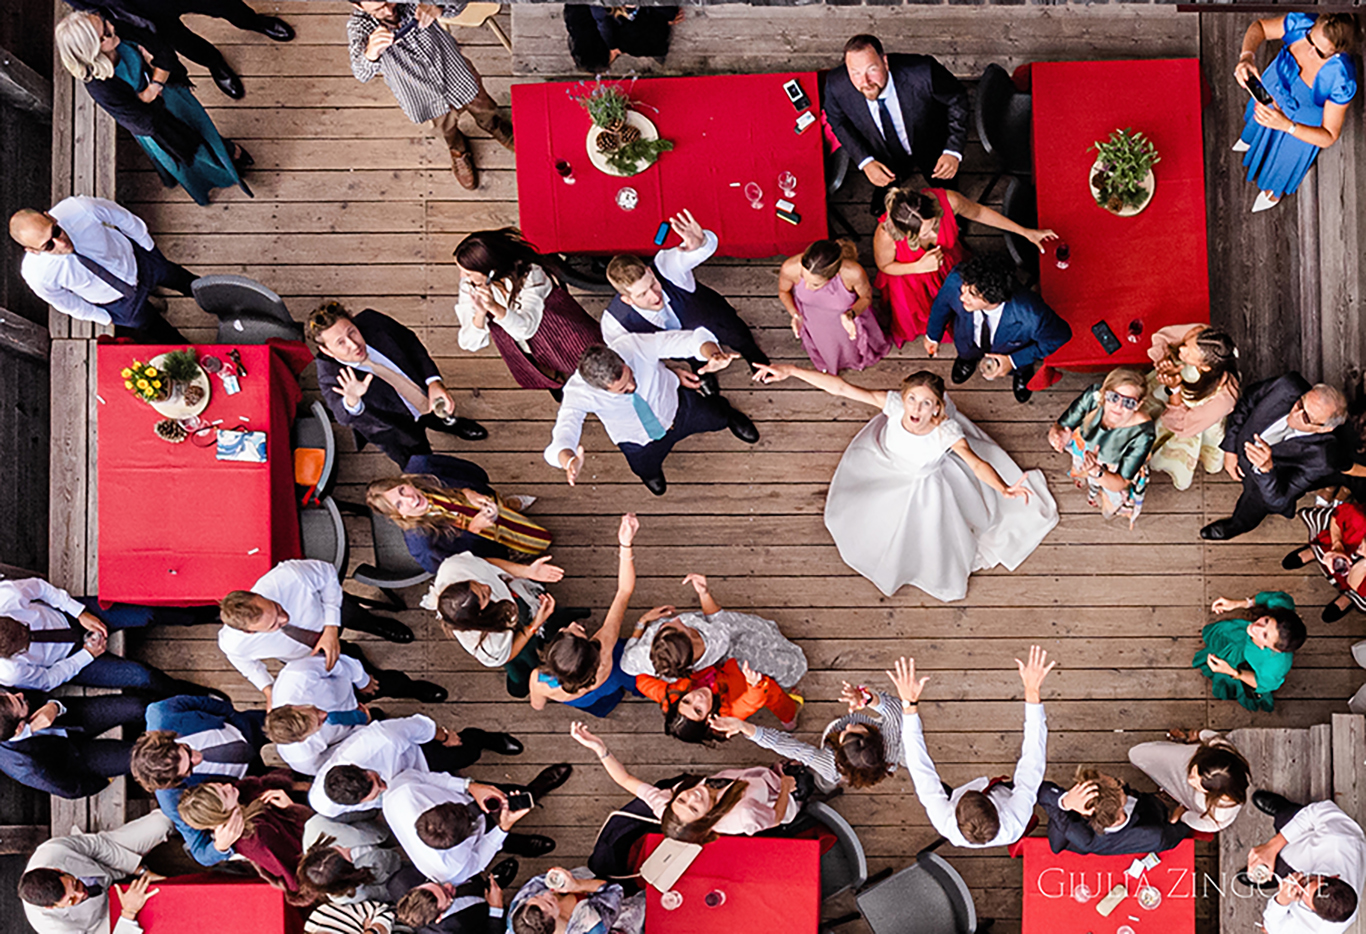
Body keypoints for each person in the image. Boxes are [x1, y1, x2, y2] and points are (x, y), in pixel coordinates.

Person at [756, 365, 1055, 601]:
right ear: (903, 398)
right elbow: (841, 388)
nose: (916, 409)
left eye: (926, 404)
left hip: (926, 487)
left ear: (937, 408)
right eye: (912, 399)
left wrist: (1002, 488)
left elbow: (975, 462)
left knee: (924, 532)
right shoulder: (895, 407)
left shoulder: (946, 432)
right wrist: (792, 371)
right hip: (887, 470)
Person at [56, 11, 252, 207]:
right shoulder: (100, 87)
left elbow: (164, 51)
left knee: (203, 131)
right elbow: (144, 124)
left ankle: (225, 157)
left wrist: (152, 90)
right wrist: (155, 76)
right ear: (91, 50)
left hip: (170, 97)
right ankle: (220, 169)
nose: (111, 29)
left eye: (104, 23)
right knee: (193, 154)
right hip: (160, 126)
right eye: (103, 35)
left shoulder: (117, 31)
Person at [545, 329, 756, 497]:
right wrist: (568, 460)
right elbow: (565, 431)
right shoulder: (578, 393)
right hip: (639, 441)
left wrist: (712, 353)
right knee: (645, 469)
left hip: (679, 408)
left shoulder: (633, 346)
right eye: (623, 389)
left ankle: (728, 416)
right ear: (598, 388)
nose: (632, 386)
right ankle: (652, 474)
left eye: (630, 377)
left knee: (717, 414)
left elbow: (688, 340)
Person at [218, 558, 446, 705]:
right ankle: (409, 688)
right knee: (371, 683)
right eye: (273, 625)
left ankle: (379, 626)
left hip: (329, 611)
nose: (284, 618)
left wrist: (330, 628)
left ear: (257, 595)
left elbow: (327, 574)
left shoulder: (287, 576)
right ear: (249, 633)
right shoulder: (233, 643)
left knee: (360, 618)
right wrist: (267, 689)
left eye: (277, 608)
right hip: (313, 654)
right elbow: (245, 663)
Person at [895, 647, 1054, 848]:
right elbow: (1033, 761)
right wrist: (1032, 692)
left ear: (955, 812)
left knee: (928, 785)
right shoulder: (1015, 820)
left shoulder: (945, 821)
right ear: (994, 808)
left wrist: (909, 706)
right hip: (1007, 795)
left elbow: (920, 769)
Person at [348, 2, 514, 190]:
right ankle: (458, 149)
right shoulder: (359, 27)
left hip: (455, 72)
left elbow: (459, 6)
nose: (388, 10)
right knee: (445, 128)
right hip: (421, 93)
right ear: (358, 5)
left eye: (388, 0)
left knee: (483, 105)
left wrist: (439, 7)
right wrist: (370, 53)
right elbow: (361, 73)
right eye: (378, 8)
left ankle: (494, 125)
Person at [308, 301, 487, 467]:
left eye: (352, 332)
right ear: (327, 351)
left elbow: (410, 342)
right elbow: (342, 416)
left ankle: (453, 425)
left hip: (422, 393)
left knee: (440, 415)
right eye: (340, 343)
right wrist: (352, 400)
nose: (354, 345)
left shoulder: (372, 321)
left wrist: (434, 382)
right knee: (422, 463)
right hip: (392, 427)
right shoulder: (329, 375)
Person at [874, 187, 1056, 346]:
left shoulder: (950, 201)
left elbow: (978, 213)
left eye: (935, 224)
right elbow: (885, 266)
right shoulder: (886, 234)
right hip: (912, 281)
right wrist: (918, 267)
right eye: (922, 233)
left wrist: (1024, 232)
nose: (932, 233)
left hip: (951, 267)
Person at [570, 722, 800, 843]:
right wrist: (787, 786)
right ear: (706, 819)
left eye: (682, 799)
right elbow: (776, 818)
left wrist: (600, 749)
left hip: (758, 777)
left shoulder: (669, 809)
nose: (692, 796)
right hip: (785, 796)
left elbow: (625, 779)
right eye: (694, 807)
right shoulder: (743, 815)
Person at [603, 209, 769, 376]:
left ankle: (755, 358)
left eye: (652, 284)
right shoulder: (615, 324)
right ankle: (704, 375)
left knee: (740, 338)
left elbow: (691, 255)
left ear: (650, 272)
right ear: (627, 300)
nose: (654, 296)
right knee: (693, 360)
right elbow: (630, 357)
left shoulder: (665, 267)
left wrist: (701, 244)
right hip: (682, 349)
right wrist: (670, 373)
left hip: (716, 319)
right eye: (642, 295)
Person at [10, 197, 197, 343]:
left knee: (186, 281)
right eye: (48, 245)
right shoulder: (37, 275)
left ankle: (219, 300)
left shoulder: (80, 208)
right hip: (117, 303)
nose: (61, 243)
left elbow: (122, 218)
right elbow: (65, 302)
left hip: (138, 262)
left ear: (50, 217)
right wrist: (102, 317)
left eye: (56, 231)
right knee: (157, 330)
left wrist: (149, 248)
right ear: (33, 251)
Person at [823, 34, 969, 212]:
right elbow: (837, 121)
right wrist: (865, 161)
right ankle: (888, 189)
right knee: (886, 178)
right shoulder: (835, 84)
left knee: (944, 183)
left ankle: (954, 210)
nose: (865, 82)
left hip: (931, 143)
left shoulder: (924, 71)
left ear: (885, 62)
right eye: (855, 73)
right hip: (881, 152)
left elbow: (958, 99)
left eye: (872, 69)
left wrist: (953, 150)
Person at [0, 576, 215, 695]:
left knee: (146, 614)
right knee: (142, 676)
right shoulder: (10, 672)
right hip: (70, 659)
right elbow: (48, 679)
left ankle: (208, 612)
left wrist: (80, 612)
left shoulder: (7, 596)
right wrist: (86, 655)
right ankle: (195, 694)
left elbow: (41, 589)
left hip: (69, 617)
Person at [1233, 13, 1359, 212]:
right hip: (1272, 90)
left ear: (1336, 53)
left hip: (1299, 124)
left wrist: (1287, 126)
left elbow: (1329, 136)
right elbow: (1260, 27)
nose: (1310, 51)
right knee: (1257, 119)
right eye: (1310, 39)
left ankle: (1273, 191)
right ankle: (1251, 139)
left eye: (1319, 52)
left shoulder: (1342, 80)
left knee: (1284, 160)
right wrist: (1247, 56)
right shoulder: (1300, 24)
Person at [1200, 373, 1349, 541]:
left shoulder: (1321, 458)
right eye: (1300, 403)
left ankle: (1237, 525)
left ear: (1324, 429)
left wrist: (1266, 470)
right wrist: (1230, 447)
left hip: (1263, 486)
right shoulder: (1287, 386)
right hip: (1239, 448)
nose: (1295, 413)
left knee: (1251, 509)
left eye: (1306, 417)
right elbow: (1248, 401)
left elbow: (1279, 501)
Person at [453, 229, 602, 395]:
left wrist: (495, 308)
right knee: (554, 382)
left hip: (562, 332)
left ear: (490, 270)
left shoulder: (531, 274)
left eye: (467, 273)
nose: (462, 277)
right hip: (528, 352)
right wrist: (480, 313)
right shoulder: (469, 285)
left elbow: (527, 328)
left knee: (597, 368)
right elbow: (468, 342)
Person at [129, 694, 269, 866]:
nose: (197, 758)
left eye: (186, 750)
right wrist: (221, 846)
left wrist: (231, 714)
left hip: (244, 727)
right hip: (247, 781)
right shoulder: (172, 800)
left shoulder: (162, 712)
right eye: (189, 768)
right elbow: (200, 853)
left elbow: (200, 702)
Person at [423, 552, 589, 698]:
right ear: (479, 615)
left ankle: (553, 623)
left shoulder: (453, 568)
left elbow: (485, 564)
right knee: (523, 662)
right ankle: (521, 683)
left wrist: (527, 571)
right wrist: (534, 625)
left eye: (476, 583)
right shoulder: (487, 645)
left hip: (514, 599)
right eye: (484, 595)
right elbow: (508, 653)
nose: (486, 586)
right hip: (511, 637)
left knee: (537, 609)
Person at [307, 714, 535, 820]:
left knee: (467, 753)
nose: (383, 787)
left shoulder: (383, 739)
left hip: (415, 756)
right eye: (374, 794)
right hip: (408, 787)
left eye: (378, 781)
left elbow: (416, 726)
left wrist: (445, 736)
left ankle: (483, 738)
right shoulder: (325, 806)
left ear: (360, 767)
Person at [529, 514, 642, 718]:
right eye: (577, 631)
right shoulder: (605, 650)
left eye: (565, 631)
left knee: (602, 705)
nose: (573, 624)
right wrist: (625, 544)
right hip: (612, 676)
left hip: (586, 700)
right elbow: (624, 591)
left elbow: (537, 705)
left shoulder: (540, 681)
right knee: (628, 674)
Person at [63, 0, 293, 99]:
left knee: (224, 4)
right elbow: (90, 9)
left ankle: (254, 22)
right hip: (137, 13)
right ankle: (215, 63)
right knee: (183, 42)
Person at [924, 252, 1072, 404]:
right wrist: (932, 336)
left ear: (993, 298)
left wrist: (1013, 361)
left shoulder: (1032, 315)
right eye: (964, 289)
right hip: (966, 338)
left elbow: (1059, 337)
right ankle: (967, 360)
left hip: (1013, 350)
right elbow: (942, 304)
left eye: (972, 295)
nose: (962, 297)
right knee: (966, 351)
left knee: (1020, 367)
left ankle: (1020, 373)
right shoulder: (957, 278)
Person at [366, 455, 553, 575]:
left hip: (479, 501)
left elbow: (467, 470)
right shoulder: (423, 547)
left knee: (500, 506)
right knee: (525, 545)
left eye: (402, 490)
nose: (410, 499)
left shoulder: (421, 466)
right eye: (399, 504)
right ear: (399, 516)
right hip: (492, 543)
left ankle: (509, 504)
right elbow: (460, 564)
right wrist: (474, 529)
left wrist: (468, 491)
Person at [620, 572, 808, 686]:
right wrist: (704, 593)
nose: (676, 618)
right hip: (731, 642)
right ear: (692, 638)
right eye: (682, 625)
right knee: (769, 651)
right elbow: (717, 617)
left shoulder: (650, 658)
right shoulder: (716, 639)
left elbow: (626, 664)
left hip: (714, 661)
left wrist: (642, 622)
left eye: (665, 625)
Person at [715, 680, 903, 793]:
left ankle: (827, 786)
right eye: (858, 728)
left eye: (845, 734)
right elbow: (896, 710)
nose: (850, 724)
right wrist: (866, 699)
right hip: (888, 758)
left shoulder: (829, 762)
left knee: (828, 779)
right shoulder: (890, 738)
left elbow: (787, 746)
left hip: (833, 770)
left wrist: (745, 728)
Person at [383, 769, 553, 883]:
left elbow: (427, 778)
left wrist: (470, 786)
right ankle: (516, 844)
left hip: (472, 794)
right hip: (479, 842)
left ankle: (535, 789)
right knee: (496, 840)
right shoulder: (449, 869)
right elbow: (478, 860)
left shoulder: (402, 792)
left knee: (507, 794)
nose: (471, 813)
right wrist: (503, 827)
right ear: (460, 841)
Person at [19, 812, 172, 934]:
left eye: (75, 884)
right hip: (102, 920)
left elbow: (98, 847)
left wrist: (139, 869)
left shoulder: (52, 850)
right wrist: (128, 912)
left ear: (58, 870)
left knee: (162, 823)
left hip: (107, 862)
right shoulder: (51, 927)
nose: (81, 894)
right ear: (50, 908)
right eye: (71, 901)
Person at [1048, 367, 1158, 528]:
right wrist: (1056, 437)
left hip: (1111, 471)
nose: (1118, 406)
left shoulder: (1143, 433)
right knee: (1083, 469)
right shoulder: (1093, 397)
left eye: (1128, 402)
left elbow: (1120, 482)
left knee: (1110, 494)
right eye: (1114, 397)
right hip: (1086, 451)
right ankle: (1089, 484)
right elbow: (1058, 427)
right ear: (1104, 393)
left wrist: (1096, 471)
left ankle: (1096, 493)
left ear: (1138, 405)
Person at [1242, 792, 1366, 932]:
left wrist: (1281, 901)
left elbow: (1272, 927)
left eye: (1300, 894)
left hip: (1291, 863)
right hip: (1304, 836)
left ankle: (1270, 876)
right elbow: (1316, 813)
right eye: (1307, 881)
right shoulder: (1341, 839)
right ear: (1333, 876)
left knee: (1268, 874)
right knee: (1290, 818)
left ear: (1314, 912)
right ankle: (1282, 810)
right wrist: (1273, 846)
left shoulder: (1318, 930)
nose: (1298, 884)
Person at [0, 688, 149, 797]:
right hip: (78, 760)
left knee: (139, 706)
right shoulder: (25, 766)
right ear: (19, 728)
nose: (19, 694)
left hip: (72, 717)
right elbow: (70, 789)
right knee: (141, 758)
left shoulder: (5, 700)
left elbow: (36, 695)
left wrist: (54, 707)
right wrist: (102, 781)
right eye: (19, 701)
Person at [177, 772, 312, 892]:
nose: (228, 786)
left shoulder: (242, 792)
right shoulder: (257, 840)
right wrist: (293, 810)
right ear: (220, 814)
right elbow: (297, 878)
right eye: (224, 794)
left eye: (220, 785)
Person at [1147, 324, 1242, 490]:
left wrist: (1175, 389)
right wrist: (1164, 360)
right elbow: (1162, 337)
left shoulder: (1222, 399)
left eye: (1187, 352)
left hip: (1194, 420)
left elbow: (1183, 426)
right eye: (1186, 344)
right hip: (1174, 388)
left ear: (1204, 367)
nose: (1181, 349)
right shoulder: (1203, 336)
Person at [777, 239, 888, 375]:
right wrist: (795, 314)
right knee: (826, 346)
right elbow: (783, 292)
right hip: (813, 320)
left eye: (815, 285)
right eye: (803, 278)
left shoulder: (853, 273)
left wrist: (850, 315)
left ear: (834, 275)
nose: (807, 287)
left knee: (849, 346)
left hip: (844, 320)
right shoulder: (790, 267)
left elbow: (866, 298)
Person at [637, 658, 800, 745]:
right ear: (708, 720)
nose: (697, 698)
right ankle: (790, 719)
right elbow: (750, 703)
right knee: (778, 700)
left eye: (687, 701)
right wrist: (754, 685)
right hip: (751, 685)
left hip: (723, 668)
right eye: (698, 710)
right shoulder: (726, 714)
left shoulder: (671, 697)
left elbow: (641, 681)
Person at [263, 654, 379, 775]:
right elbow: (334, 759)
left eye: (315, 709)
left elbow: (336, 664)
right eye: (319, 723)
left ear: (290, 706)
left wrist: (363, 682)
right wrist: (362, 732)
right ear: (302, 740)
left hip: (348, 686)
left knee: (392, 683)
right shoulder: (301, 758)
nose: (324, 714)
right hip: (350, 731)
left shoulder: (299, 675)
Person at [1036, 767, 1193, 856]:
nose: (1121, 782)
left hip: (1085, 840)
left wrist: (1065, 802)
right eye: (1118, 784)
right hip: (1148, 815)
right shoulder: (1154, 836)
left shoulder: (1078, 832)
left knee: (1057, 822)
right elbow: (1178, 832)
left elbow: (1040, 791)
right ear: (1120, 805)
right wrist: (1176, 819)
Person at [1195, 593, 1305, 712]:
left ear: (1275, 649)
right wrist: (1238, 603)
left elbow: (1261, 684)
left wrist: (1232, 672)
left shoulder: (1274, 666)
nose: (1255, 627)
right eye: (1266, 621)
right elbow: (1270, 598)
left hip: (1244, 661)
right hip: (1241, 635)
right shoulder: (1283, 608)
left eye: (1265, 635)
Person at [1128, 730, 1251, 832]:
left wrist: (1181, 814)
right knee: (1137, 754)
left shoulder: (1217, 818)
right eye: (1194, 773)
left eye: (1198, 783)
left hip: (1182, 783)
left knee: (1141, 756)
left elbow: (1189, 818)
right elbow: (1210, 736)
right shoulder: (1223, 749)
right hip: (1181, 761)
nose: (1189, 780)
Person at [297, 816, 407, 907]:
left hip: (381, 824)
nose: (347, 848)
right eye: (346, 857)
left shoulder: (315, 827)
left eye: (336, 848)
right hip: (398, 863)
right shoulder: (350, 895)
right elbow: (385, 891)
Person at [506, 867, 645, 934]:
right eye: (549, 902)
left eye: (536, 897)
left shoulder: (517, 914)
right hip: (619, 915)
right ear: (554, 921)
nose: (547, 894)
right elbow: (614, 890)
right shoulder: (592, 926)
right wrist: (576, 885)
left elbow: (537, 881)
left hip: (588, 875)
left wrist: (557, 877)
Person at [1291, 501, 1366, 622]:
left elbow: (1353, 582)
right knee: (1325, 536)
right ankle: (1314, 551)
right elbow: (1338, 516)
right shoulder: (1360, 522)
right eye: (1362, 545)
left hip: (1357, 578)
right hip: (1346, 543)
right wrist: (1337, 545)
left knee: (1362, 599)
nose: (1360, 551)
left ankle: (1349, 597)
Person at [565, 5, 681, 72]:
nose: (619, 51)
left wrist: (668, 15)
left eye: (615, 54)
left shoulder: (631, 40)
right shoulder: (576, 14)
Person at [394, 869, 509, 933]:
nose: (448, 885)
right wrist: (496, 908)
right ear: (438, 918)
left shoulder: (402, 880)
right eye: (447, 894)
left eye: (439, 885)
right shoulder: (450, 931)